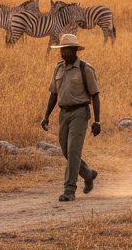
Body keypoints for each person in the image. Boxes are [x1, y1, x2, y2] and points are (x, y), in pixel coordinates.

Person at [40, 33, 102, 201]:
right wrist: (46, 116)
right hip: (63, 113)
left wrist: (97, 121)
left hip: (80, 113)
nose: (62, 52)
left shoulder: (85, 69)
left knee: (73, 150)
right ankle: (88, 174)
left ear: (74, 50)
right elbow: (54, 94)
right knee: (66, 151)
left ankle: (69, 189)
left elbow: (95, 95)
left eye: (66, 49)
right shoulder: (58, 68)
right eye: (62, 49)